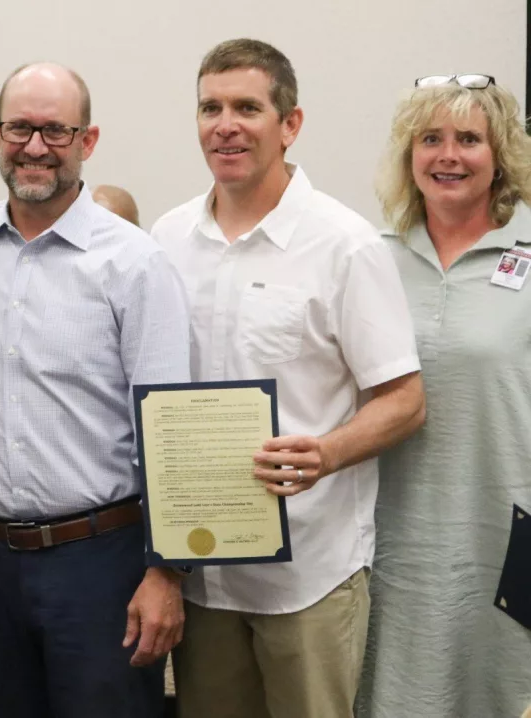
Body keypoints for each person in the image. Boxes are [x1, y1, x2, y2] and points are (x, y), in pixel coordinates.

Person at [151, 39, 426, 718]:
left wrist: (326, 453)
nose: (225, 125)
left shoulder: (345, 244)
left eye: (247, 108)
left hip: (311, 574)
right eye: (210, 108)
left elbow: (405, 400)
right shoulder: (166, 240)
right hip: (202, 573)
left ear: (290, 124)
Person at [0, 62, 192, 718]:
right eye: (20, 128)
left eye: (56, 130)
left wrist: (167, 573)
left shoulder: (137, 262)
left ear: (88, 140)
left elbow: (172, 433)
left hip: (101, 566)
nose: (35, 146)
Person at [357, 75, 531, 718]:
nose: (448, 156)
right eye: (430, 139)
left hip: (505, 533)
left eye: (469, 140)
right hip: (393, 538)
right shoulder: (371, 259)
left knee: (499, 689)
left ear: (499, 155)